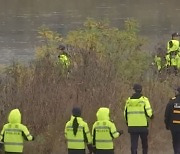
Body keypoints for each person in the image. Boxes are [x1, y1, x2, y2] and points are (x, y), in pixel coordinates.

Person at [124, 84, 153, 154]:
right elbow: (149, 113)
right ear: (141, 90)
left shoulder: (128, 101)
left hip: (132, 126)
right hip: (143, 125)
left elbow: (125, 114)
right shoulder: (144, 100)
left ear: (133, 90)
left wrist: (127, 122)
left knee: (134, 145)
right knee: (144, 144)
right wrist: (151, 116)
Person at [164, 87, 180, 154]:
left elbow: (167, 115)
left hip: (174, 126)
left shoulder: (172, 101)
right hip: (174, 126)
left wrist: (167, 125)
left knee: (176, 142)